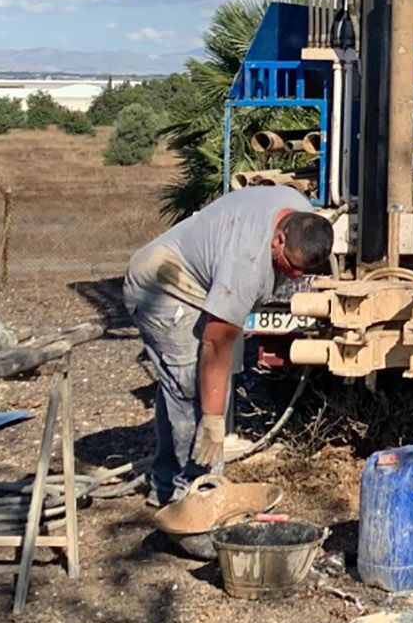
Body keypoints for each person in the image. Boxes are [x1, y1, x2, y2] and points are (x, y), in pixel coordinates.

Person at [122, 186, 335, 507]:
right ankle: (196, 498)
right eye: (290, 267)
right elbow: (216, 344)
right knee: (191, 389)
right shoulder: (246, 265)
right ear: (278, 239)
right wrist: (212, 421)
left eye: (303, 271)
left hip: (195, 277)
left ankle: (165, 486)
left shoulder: (300, 213)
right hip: (162, 285)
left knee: (181, 388)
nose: (294, 275)